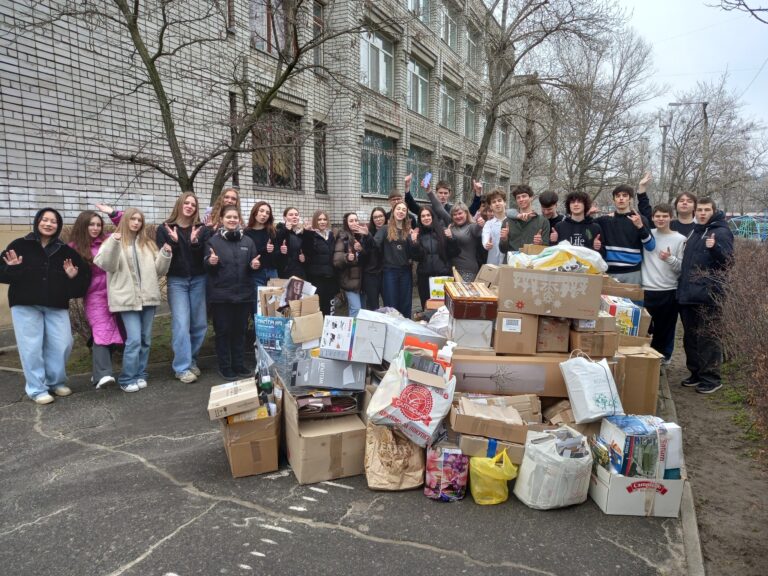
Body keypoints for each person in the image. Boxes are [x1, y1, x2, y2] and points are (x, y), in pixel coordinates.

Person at [1, 208, 91, 404]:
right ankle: (36, 388)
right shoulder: (20, 245)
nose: (49, 224)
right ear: (37, 221)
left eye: (53, 221)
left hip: (56, 304)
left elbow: (82, 281)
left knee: (63, 344)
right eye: (45, 220)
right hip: (25, 303)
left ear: (58, 226)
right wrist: (12, 268)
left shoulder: (66, 251)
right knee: (31, 347)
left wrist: (73, 277)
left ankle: (55, 381)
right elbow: (3, 273)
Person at [95, 208, 172, 392]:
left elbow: (159, 270)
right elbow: (106, 264)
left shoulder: (147, 244)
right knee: (134, 340)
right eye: (133, 219)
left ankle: (141, 374)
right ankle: (127, 378)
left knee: (145, 339)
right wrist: (113, 243)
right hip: (126, 299)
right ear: (126, 221)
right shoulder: (113, 241)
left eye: (140, 220)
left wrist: (165, 254)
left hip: (148, 298)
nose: (136, 222)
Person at [677, 198, 734, 394]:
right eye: (699, 210)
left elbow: (728, 262)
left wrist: (715, 248)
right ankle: (697, 373)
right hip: (688, 294)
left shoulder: (721, 232)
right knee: (690, 337)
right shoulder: (697, 231)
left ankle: (711, 379)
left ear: (714, 211)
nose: (702, 213)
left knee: (708, 338)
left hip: (709, 296)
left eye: (706, 210)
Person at [68, 205, 124, 389]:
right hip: (93, 296)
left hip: (115, 293)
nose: (95, 228)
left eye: (98, 224)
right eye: (91, 224)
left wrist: (113, 214)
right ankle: (104, 374)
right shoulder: (73, 248)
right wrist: (71, 276)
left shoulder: (107, 241)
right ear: (83, 226)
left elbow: (127, 225)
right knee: (101, 329)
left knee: (118, 331)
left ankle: (97, 373)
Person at [156, 192, 210, 384]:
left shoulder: (202, 229)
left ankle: (191, 359)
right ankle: (181, 367)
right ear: (179, 204)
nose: (189, 206)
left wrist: (194, 242)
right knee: (181, 324)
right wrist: (175, 242)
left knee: (199, 324)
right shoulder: (164, 229)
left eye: (193, 204)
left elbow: (203, 256)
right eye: (186, 203)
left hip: (198, 279)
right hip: (177, 281)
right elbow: (166, 258)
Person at [205, 205, 261, 381]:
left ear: (239, 220)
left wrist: (254, 266)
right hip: (222, 297)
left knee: (240, 332)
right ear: (222, 219)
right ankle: (225, 366)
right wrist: (210, 262)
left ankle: (238, 364)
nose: (232, 220)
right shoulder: (213, 242)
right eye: (228, 217)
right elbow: (206, 266)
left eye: (235, 217)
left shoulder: (247, 242)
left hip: (244, 295)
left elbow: (252, 265)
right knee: (223, 332)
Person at [642, 204, 686, 364]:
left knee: (664, 330)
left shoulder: (680, 239)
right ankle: (643, 358)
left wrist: (669, 258)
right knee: (643, 328)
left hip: (668, 290)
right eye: (657, 216)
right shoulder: (646, 235)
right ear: (652, 218)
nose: (661, 219)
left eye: (664, 216)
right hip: (646, 289)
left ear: (671, 217)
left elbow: (683, 267)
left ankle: (661, 361)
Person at [596, 183, 655, 284]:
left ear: (630, 199)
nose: (621, 199)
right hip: (608, 272)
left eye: (625, 195)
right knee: (608, 300)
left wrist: (640, 227)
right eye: (618, 196)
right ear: (614, 200)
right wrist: (588, 214)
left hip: (632, 273)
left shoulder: (640, 219)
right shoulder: (604, 220)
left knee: (632, 300)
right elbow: (584, 226)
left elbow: (651, 246)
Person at [375, 201, 417, 318]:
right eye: (398, 209)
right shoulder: (385, 229)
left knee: (406, 303)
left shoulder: (408, 231)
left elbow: (413, 254)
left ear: (406, 214)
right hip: (390, 271)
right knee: (391, 304)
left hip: (405, 271)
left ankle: (405, 330)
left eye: (404, 210)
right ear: (393, 211)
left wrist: (414, 242)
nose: (401, 211)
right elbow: (374, 245)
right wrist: (366, 237)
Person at [412, 207, 458, 308]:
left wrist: (451, 238)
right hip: (425, 277)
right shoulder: (417, 234)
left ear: (432, 217)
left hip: (443, 275)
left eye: (428, 215)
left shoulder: (443, 232)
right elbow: (416, 257)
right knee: (427, 306)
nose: (426, 218)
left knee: (444, 307)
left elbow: (454, 253)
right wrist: (414, 243)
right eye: (423, 216)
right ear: (419, 219)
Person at [429, 199, 483, 281]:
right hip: (451, 269)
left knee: (463, 294)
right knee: (452, 294)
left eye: (460, 213)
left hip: (467, 270)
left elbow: (478, 231)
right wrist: (429, 191)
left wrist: (480, 225)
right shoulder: (451, 227)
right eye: (455, 215)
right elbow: (440, 209)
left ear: (466, 213)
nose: (458, 216)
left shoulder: (471, 226)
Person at [302, 210, 338, 316]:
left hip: (330, 279)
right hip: (316, 279)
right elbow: (307, 251)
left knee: (330, 311)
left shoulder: (331, 235)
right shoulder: (311, 235)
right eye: (319, 219)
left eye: (324, 219)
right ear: (315, 221)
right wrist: (307, 233)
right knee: (317, 310)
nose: (322, 222)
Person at [500, 185, 550, 254]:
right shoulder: (507, 222)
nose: (521, 199)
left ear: (531, 198)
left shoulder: (543, 221)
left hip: (532, 262)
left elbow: (546, 250)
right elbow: (503, 250)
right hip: (512, 262)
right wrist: (504, 239)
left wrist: (540, 243)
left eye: (524, 196)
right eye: (518, 197)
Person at [333, 212, 366, 317]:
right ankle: (352, 333)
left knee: (363, 311)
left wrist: (362, 249)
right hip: (349, 281)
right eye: (351, 221)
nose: (354, 223)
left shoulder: (362, 235)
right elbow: (337, 260)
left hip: (363, 280)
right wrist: (346, 257)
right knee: (356, 309)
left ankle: (359, 332)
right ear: (346, 223)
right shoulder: (343, 237)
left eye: (356, 220)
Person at [245, 201, 279, 294]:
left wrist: (276, 250)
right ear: (255, 212)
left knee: (273, 304)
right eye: (261, 211)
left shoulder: (272, 231)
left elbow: (278, 253)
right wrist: (265, 249)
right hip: (256, 273)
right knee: (258, 304)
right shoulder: (246, 233)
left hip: (272, 272)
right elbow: (246, 253)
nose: (264, 215)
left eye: (267, 213)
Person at [362, 207, 386, 310]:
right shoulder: (367, 233)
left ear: (385, 217)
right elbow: (364, 253)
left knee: (389, 303)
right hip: (371, 274)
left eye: (380, 216)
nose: (378, 219)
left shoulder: (390, 231)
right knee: (372, 305)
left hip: (386, 273)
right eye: (375, 217)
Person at [275, 206, 306, 279]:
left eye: (296, 215)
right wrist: (286, 230)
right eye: (291, 215)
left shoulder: (300, 233)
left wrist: (304, 258)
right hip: (285, 273)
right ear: (285, 218)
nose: (294, 217)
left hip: (300, 272)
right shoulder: (279, 231)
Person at [481, 188, 509, 265]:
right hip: (492, 264)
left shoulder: (512, 221)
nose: (497, 204)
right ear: (490, 206)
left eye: (499, 200)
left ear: (505, 203)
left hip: (509, 263)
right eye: (493, 202)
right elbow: (485, 237)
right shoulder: (488, 224)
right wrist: (487, 244)